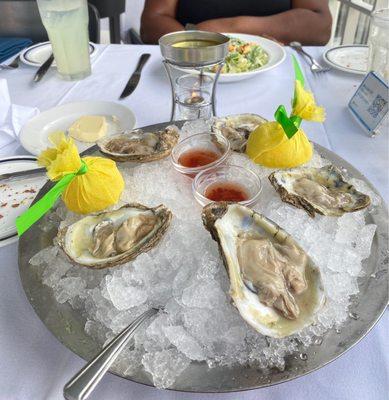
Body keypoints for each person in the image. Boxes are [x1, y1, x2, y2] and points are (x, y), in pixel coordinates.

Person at [140, 0, 332, 45]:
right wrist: (194, 45)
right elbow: (152, 22)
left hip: (277, 75)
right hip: (191, 71)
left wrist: (234, 27)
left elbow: (320, 25)